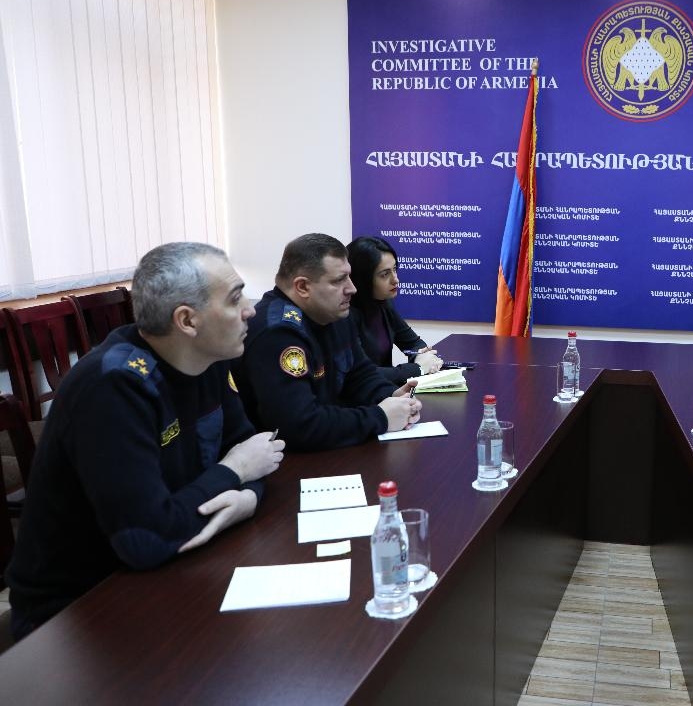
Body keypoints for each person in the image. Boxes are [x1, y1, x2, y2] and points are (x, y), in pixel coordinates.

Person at [5, 243, 283, 640]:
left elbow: (257, 451)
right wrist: (234, 471)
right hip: (76, 612)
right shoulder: (113, 386)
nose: (250, 310)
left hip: (172, 562)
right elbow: (146, 539)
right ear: (187, 321)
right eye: (235, 298)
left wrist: (248, 498)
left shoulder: (207, 359)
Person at [235, 233, 421, 451]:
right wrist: (380, 417)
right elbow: (299, 425)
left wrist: (391, 396)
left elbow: (360, 374)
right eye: (339, 280)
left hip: (328, 447)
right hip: (283, 460)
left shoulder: (334, 314)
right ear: (303, 287)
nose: (352, 288)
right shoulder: (277, 332)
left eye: (349, 276)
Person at [346, 236, 442, 385]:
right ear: (363, 278)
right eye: (385, 274)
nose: (395, 279)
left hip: (387, 391)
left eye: (395, 269)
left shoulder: (384, 304)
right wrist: (418, 368)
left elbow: (414, 343)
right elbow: (362, 374)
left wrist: (421, 357)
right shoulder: (345, 315)